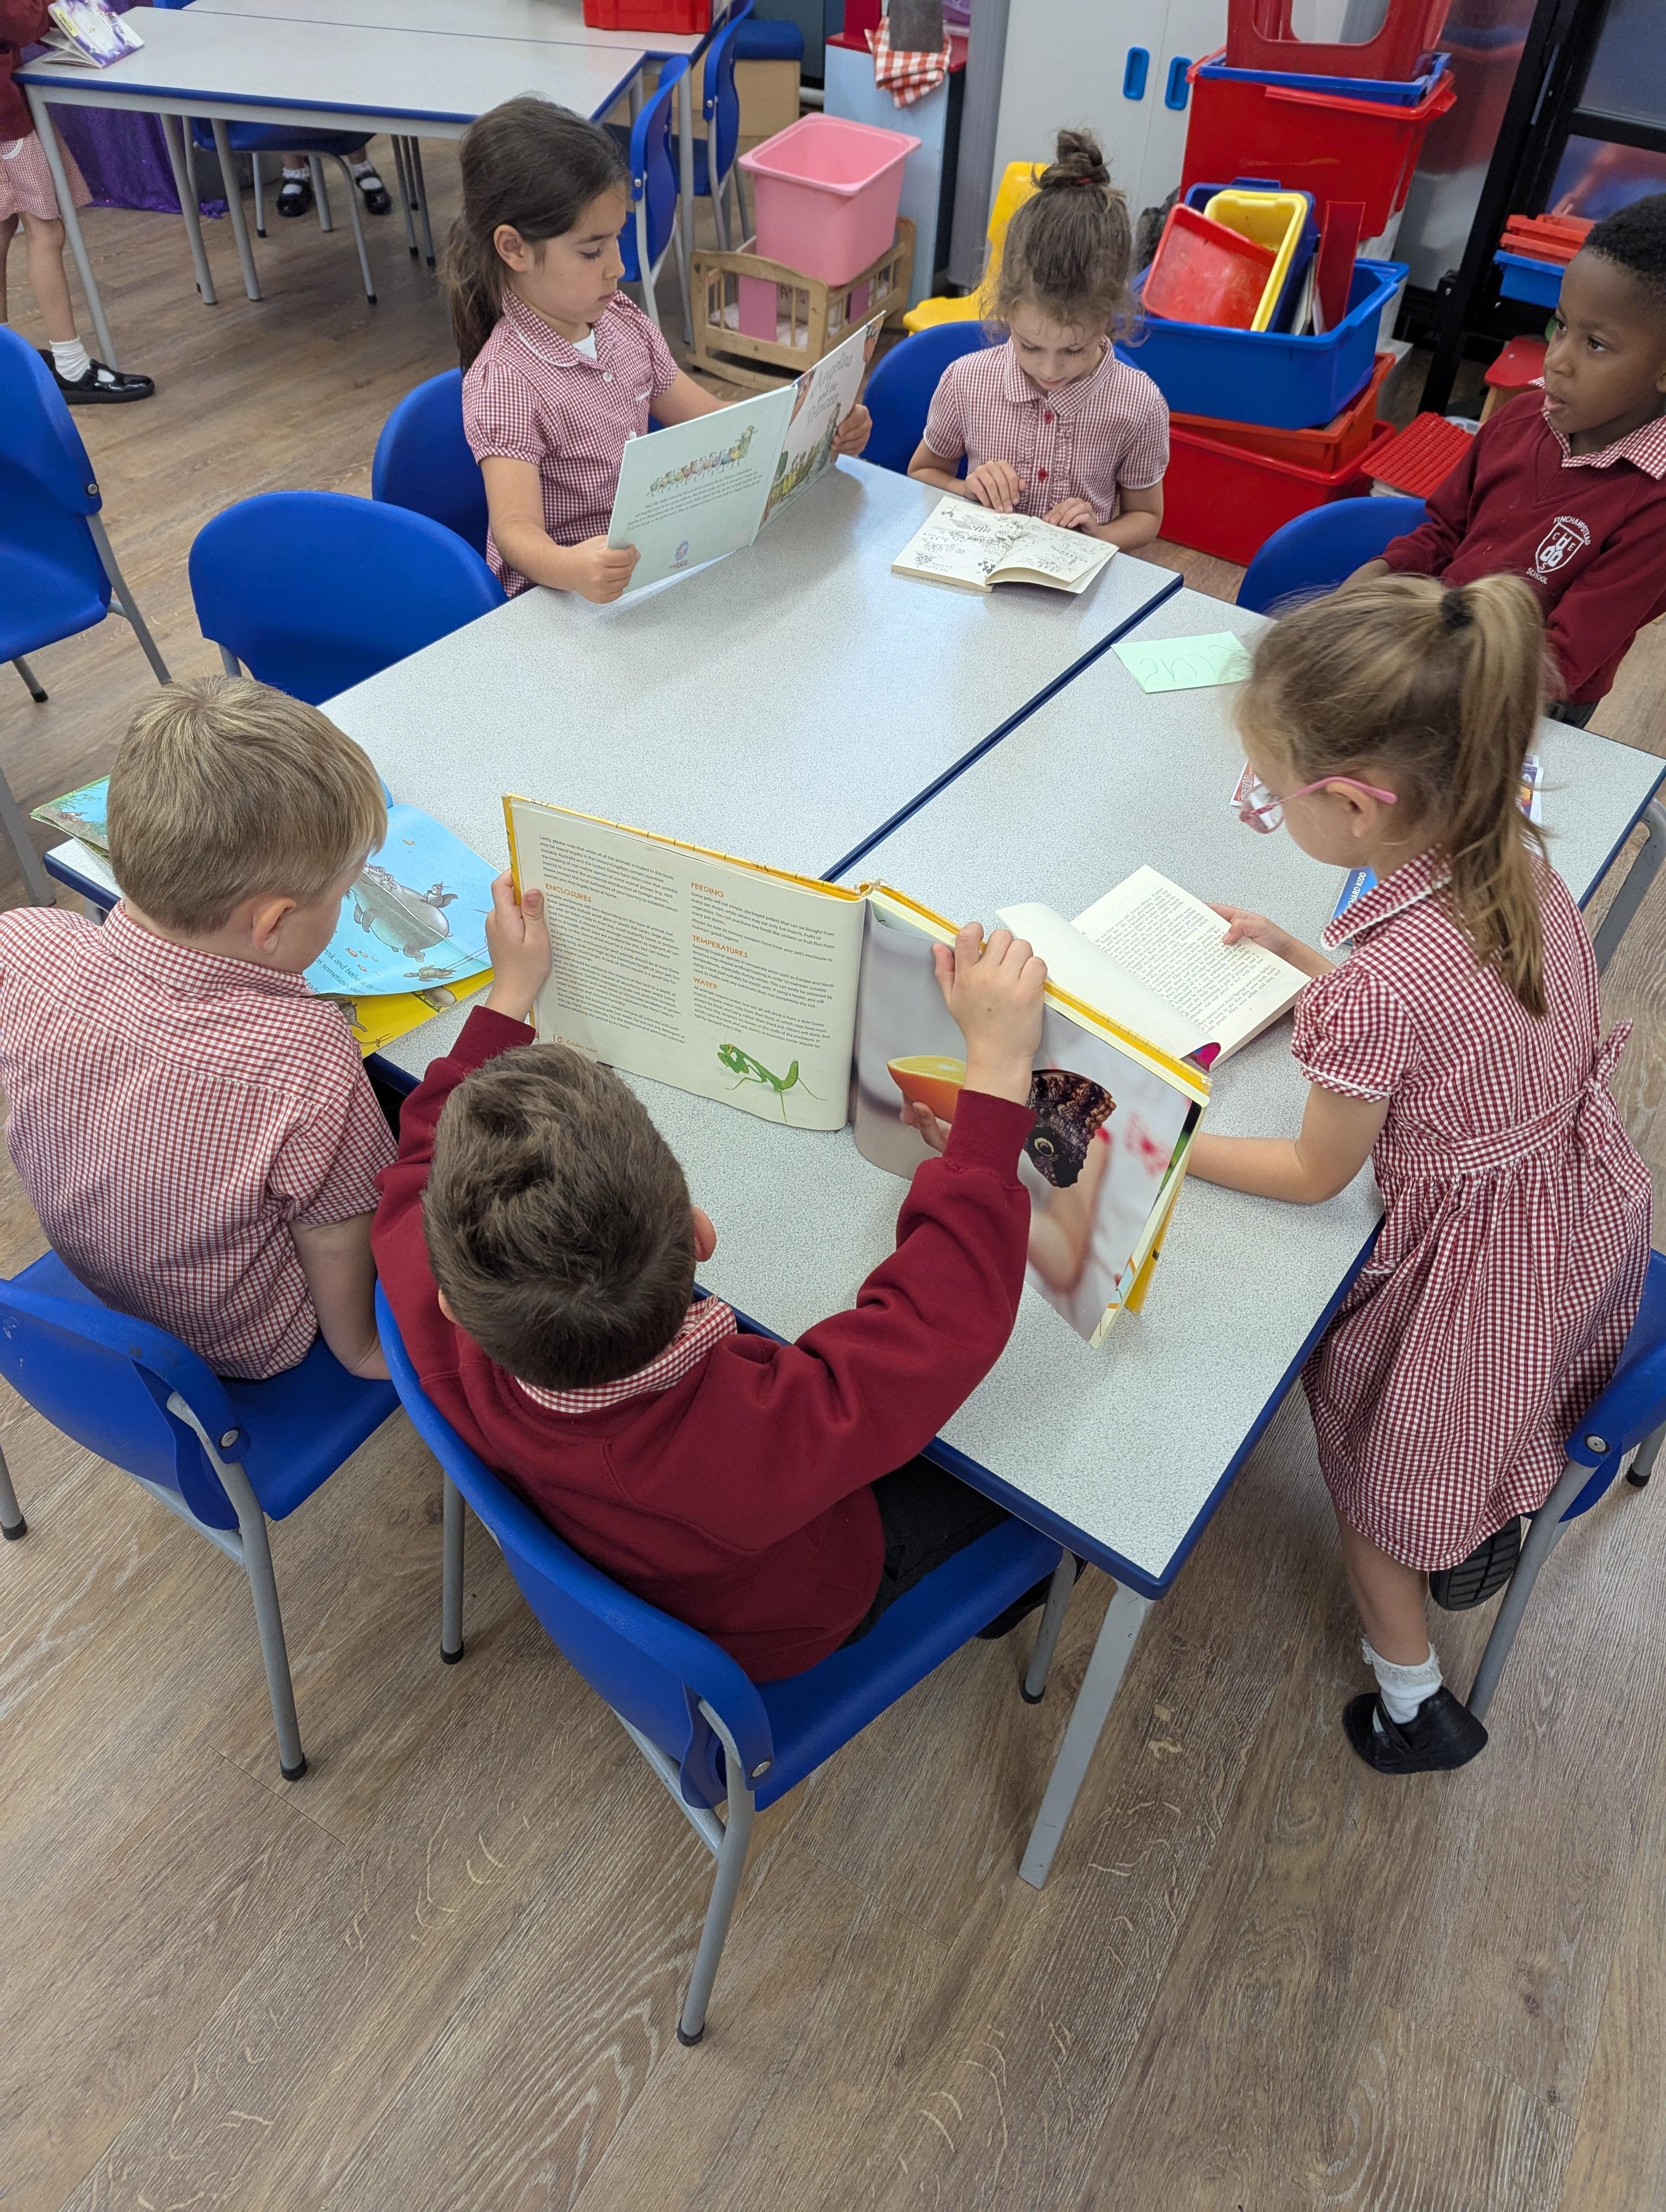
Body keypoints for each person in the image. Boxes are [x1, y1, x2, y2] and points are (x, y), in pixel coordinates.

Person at [1187, 574, 1651, 1776]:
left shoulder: (1381, 991)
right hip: (1572, 1218)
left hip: (1467, 1281)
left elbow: (1311, 1171)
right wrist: (1306, 958)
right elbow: (1447, 1024)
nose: (1264, 804)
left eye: (1268, 789)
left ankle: (1414, 1702)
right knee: (1484, 1415)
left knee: (1377, 1502)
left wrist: (1169, 1143)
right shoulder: (1518, 865)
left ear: (1349, 805)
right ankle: (1489, 1487)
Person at [373, 880, 1059, 1682]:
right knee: (1031, 1492)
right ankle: (1012, 1601)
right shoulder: (755, 1440)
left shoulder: (436, 1297)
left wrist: (510, 993)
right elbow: (941, 1326)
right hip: (791, 1614)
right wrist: (998, 1071)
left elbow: (419, 1165)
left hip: (614, 1543)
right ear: (702, 1237)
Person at [0, 678, 396, 1381]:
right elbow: (337, 1230)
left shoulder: (25, 942)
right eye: (343, 894)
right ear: (272, 923)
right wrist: (360, 1347)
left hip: (97, 1291)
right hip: (248, 1339)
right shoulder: (307, 1054)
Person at [447, 96, 871, 605]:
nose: (618, 267)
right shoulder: (506, 381)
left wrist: (814, 423)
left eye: (617, 239)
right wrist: (574, 567)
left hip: (647, 576)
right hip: (565, 602)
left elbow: (713, 420)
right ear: (514, 249)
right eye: (592, 251)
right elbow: (516, 532)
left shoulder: (620, 320)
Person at [1346, 194, 1666, 724]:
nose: (1557, 360)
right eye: (1560, 326)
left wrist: (1427, 677)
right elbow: (1445, 533)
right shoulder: (1518, 419)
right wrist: (1381, 574)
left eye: (1596, 344)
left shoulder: (1654, 508)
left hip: (1529, 703)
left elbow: (1563, 660)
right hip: (1437, 650)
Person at [906, 128, 1167, 552]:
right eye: (1029, 346)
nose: (1050, 370)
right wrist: (967, 489)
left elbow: (1147, 517)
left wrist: (1098, 535)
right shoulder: (966, 382)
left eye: (1074, 350)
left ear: (1109, 317)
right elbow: (922, 473)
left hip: (1073, 585)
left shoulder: (1139, 405)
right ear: (1006, 309)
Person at [0, 1, 152, 402]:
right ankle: (71, 365)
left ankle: (2, 363)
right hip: (5, 121)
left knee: (2, 228)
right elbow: (18, 20)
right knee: (45, 230)